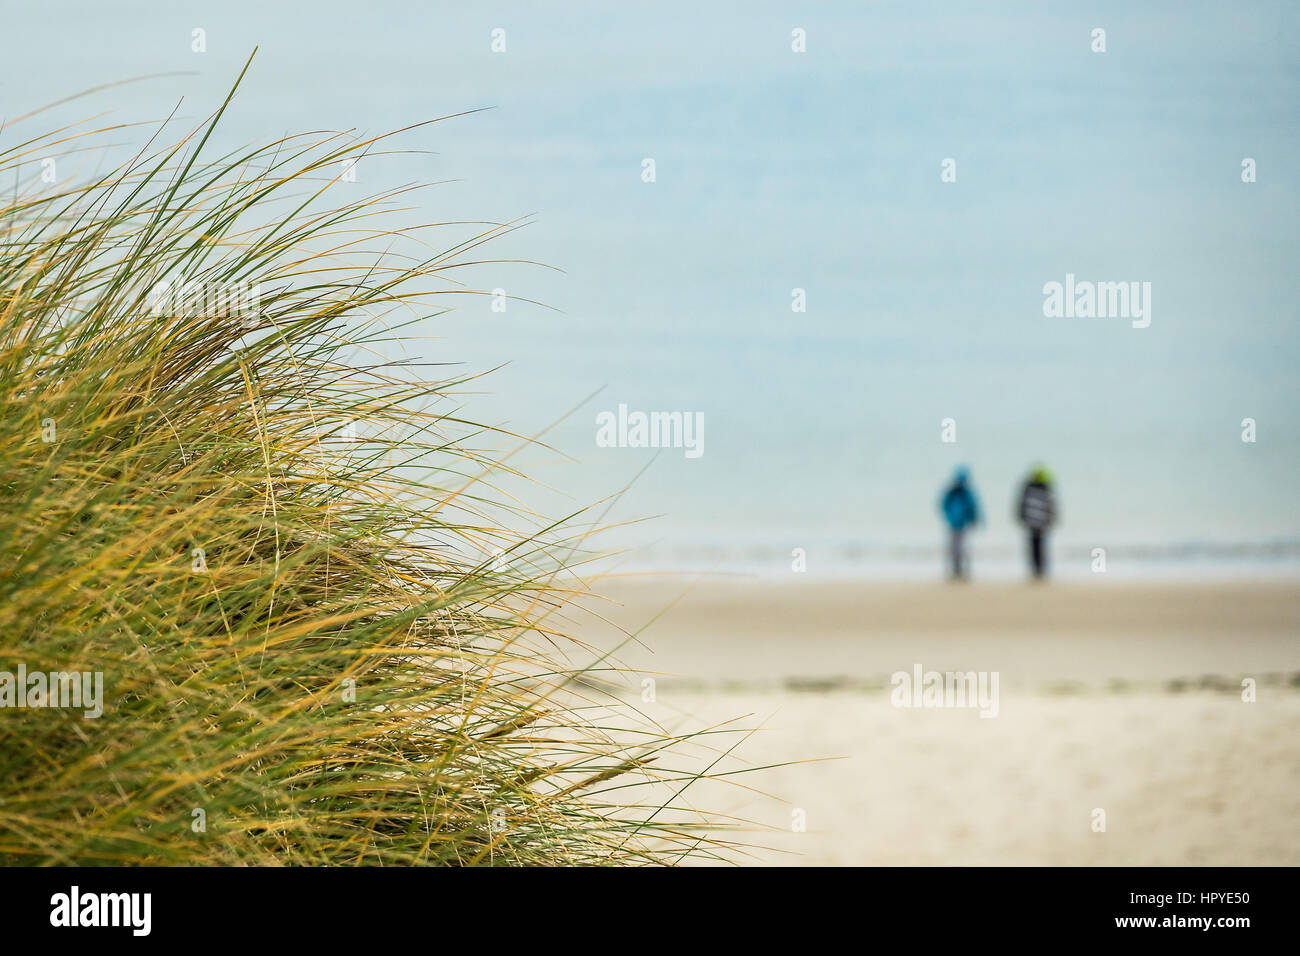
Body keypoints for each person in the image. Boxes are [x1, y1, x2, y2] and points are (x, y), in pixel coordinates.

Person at [939, 466, 981, 580]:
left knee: (963, 549)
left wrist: (974, 519)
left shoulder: (966, 493)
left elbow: (973, 507)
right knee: (953, 549)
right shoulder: (952, 492)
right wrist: (949, 518)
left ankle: (963, 572)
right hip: (953, 524)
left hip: (963, 524)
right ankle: (954, 572)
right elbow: (944, 506)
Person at [1017, 465, 1057, 579]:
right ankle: (1038, 571)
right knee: (1039, 547)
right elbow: (1051, 507)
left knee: (1037, 547)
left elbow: (1022, 505)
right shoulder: (1046, 489)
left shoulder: (1028, 489)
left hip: (1034, 522)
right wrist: (1051, 519)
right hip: (1038, 523)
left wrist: (1022, 517)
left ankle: (1039, 571)